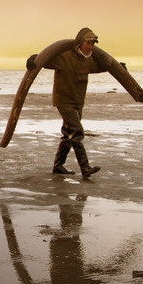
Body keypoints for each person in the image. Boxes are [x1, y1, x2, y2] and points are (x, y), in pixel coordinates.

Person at [26, 27, 103, 179]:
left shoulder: (88, 61)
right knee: (77, 132)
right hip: (64, 101)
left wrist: (118, 66)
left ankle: (58, 165)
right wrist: (32, 58)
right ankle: (85, 167)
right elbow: (44, 60)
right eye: (88, 43)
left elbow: (100, 67)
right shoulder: (64, 57)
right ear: (80, 43)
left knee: (68, 133)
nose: (90, 46)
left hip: (78, 102)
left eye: (93, 44)